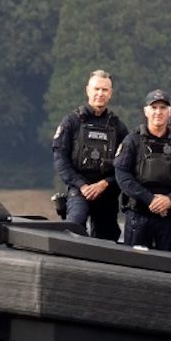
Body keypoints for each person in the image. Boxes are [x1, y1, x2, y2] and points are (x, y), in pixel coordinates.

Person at [113, 89, 171, 252]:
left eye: (163, 108)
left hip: (170, 215)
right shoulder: (133, 140)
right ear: (146, 111)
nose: (158, 112)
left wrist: (170, 199)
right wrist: (150, 199)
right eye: (154, 108)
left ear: (169, 112)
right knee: (135, 267)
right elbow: (122, 174)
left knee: (169, 269)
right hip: (139, 214)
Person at [52, 69, 130, 240]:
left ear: (110, 93)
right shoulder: (71, 122)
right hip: (80, 189)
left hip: (107, 192)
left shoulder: (118, 127)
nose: (100, 94)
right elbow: (60, 158)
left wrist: (105, 184)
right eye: (96, 89)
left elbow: (126, 165)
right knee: (74, 227)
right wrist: (82, 185)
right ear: (88, 90)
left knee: (108, 236)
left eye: (104, 90)